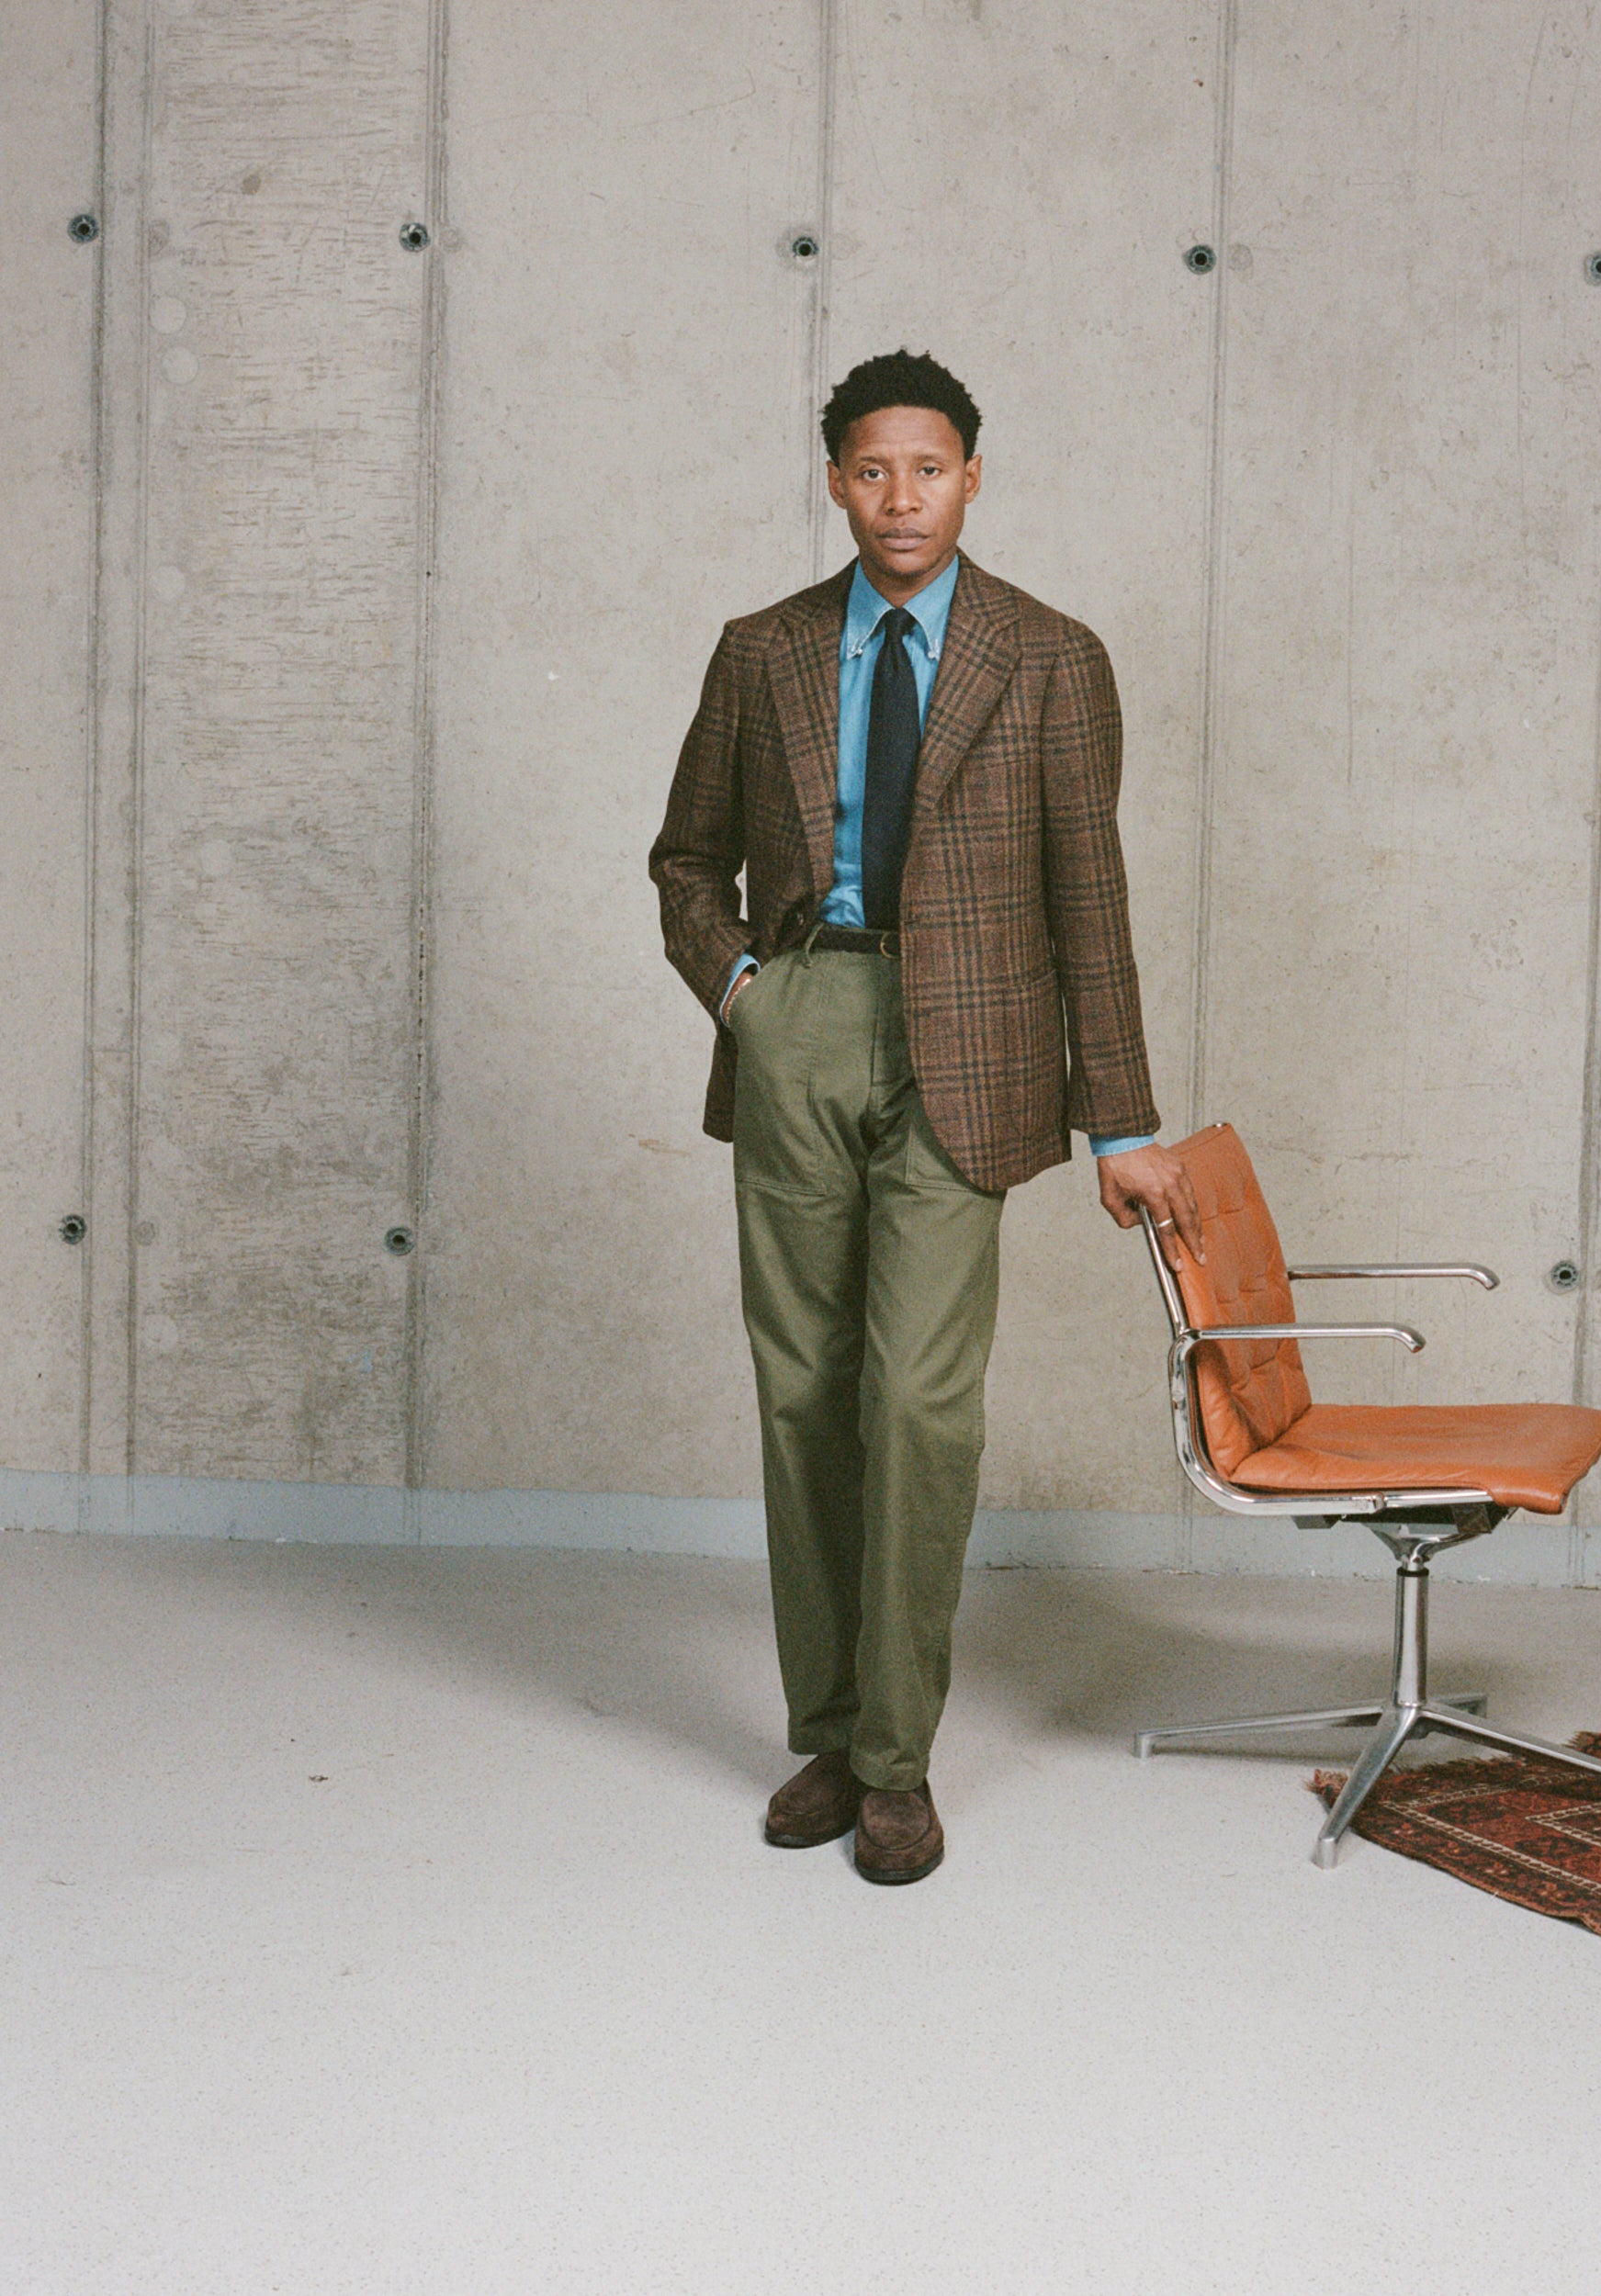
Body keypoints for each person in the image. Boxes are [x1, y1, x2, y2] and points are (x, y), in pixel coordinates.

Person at [650, 348, 1202, 1885]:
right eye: (874, 469)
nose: (903, 496)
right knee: (803, 1391)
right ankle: (829, 1738)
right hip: (803, 1024)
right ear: (836, 481)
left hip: (975, 1051)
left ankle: (897, 1761)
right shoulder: (762, 651)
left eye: (931, 468)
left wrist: (1122, 1123)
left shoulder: (1049, 656)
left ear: (973, 479)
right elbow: (685, 859)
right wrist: (745, 991)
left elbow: (1090, 895)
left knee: (917, 1401)